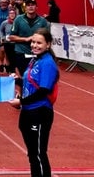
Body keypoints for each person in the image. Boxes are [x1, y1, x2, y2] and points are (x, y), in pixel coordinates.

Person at [9, 28, 59, 177]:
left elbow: (44, 90)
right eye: (33, 42)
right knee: (32, 154)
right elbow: (29, 82)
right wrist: (16, 80)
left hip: (39, 112)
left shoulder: (48, 63)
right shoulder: (35, 59)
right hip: (28, 112)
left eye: (39, 43)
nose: (35, 45)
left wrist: (21, 101)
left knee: (38, 153)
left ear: (48, 45)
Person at [8, 0, 49, 77]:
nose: (30, 7)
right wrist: (26, 39)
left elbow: (47, 38)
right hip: (22, 52)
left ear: (36, 7)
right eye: (28, 5)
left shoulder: (42, 21)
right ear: (25, 8)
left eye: (33, 5)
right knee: (25, 77)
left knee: (37, 78)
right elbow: (11, 37)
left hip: (38, 54)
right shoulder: (18, 19)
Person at [0, 8, 17, 74]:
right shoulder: (5, 22)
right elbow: (0, 30)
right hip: (5, 40)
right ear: (8, 14)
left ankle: (9, 67)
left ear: (15, 14)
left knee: (10, 55)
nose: (12, 15)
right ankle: (1, 64)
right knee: (2, 50)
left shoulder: (17, 22)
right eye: (10, 13)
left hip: (14, 41)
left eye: (13, 13)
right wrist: (2, 37)